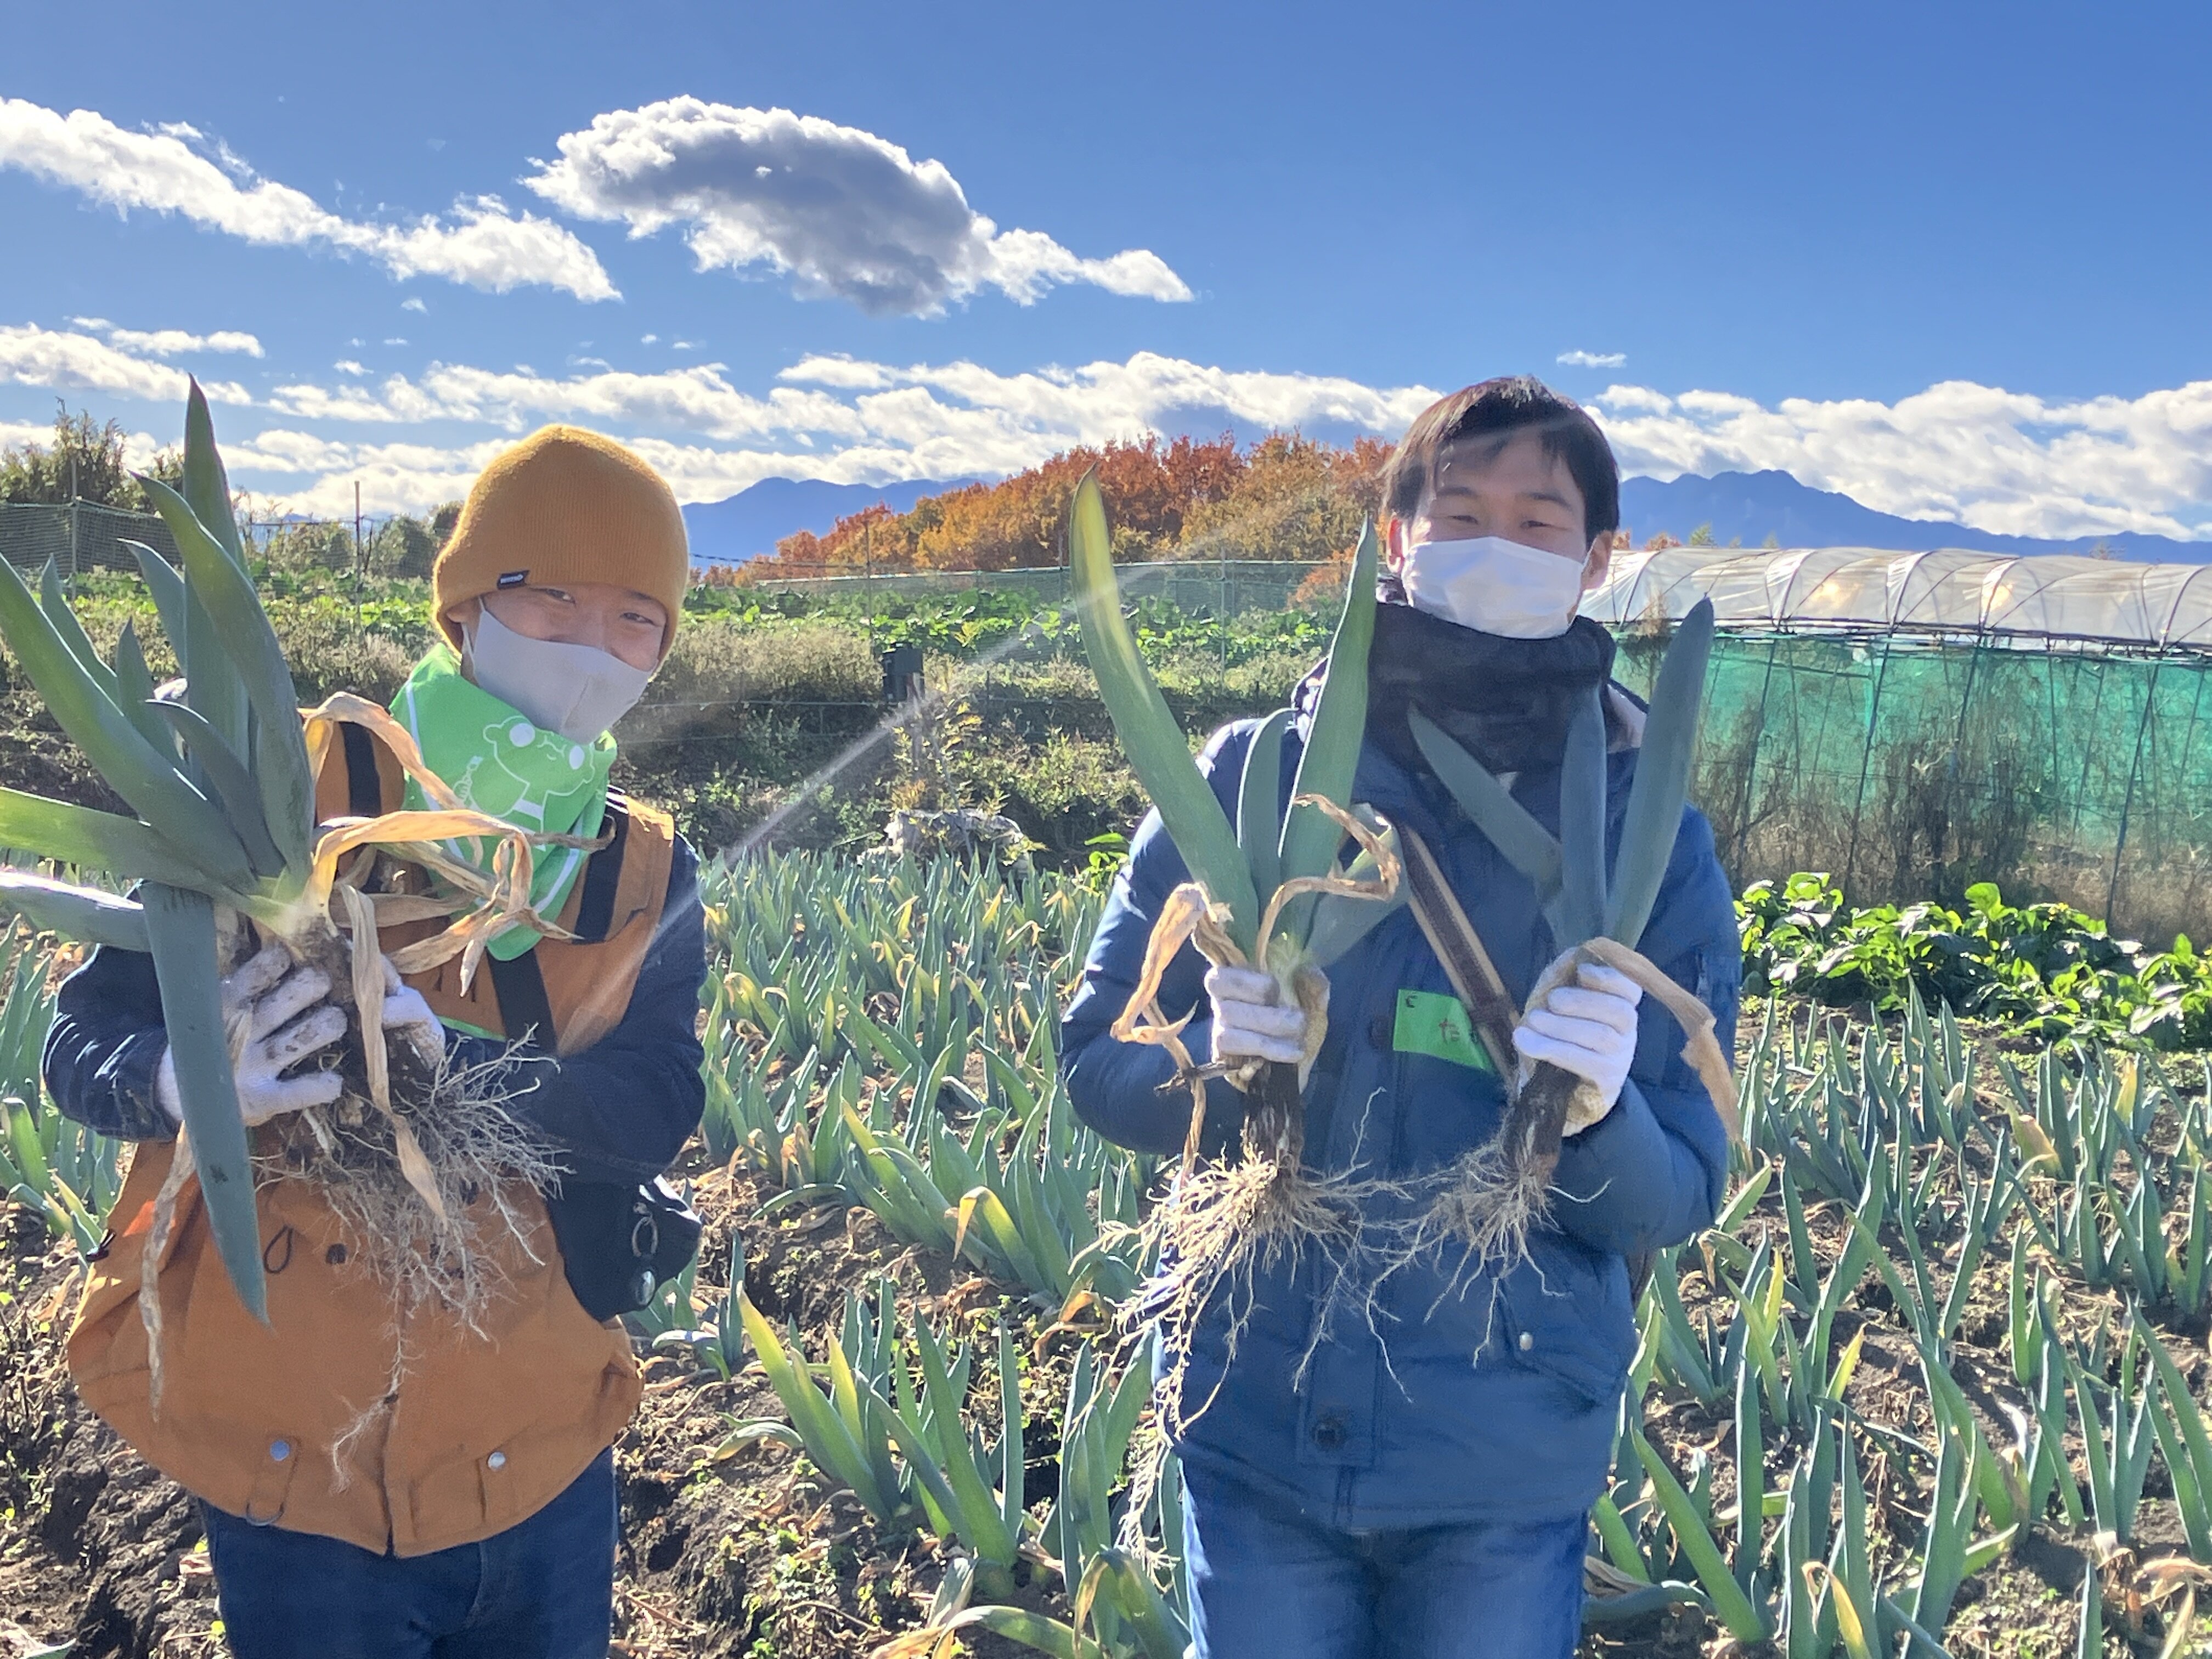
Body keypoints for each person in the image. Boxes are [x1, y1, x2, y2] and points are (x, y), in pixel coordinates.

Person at [1061, 377, 1740, 1659]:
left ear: (1597, 561)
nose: (1497, 546)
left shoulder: (1655, 840)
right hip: (1254, 1410)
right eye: (1459, 512)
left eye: (1539, 523)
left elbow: (1679, 1192)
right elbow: (1093, 1063)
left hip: (1505, 1447)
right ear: (1393, 542)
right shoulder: (1243, 784)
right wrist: (1210, 1063)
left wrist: (1596, 1120)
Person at [43, 426, 708, 1659]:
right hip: (301, 1473)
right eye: (552, 597)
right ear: (465, 610)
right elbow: (79, 1039)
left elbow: (659, 1097)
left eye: (637, 618)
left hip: (541, 1448)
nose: (593, 644)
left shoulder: (643, 864)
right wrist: (189, 1079)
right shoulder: (276, 785)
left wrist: (461, 1080)